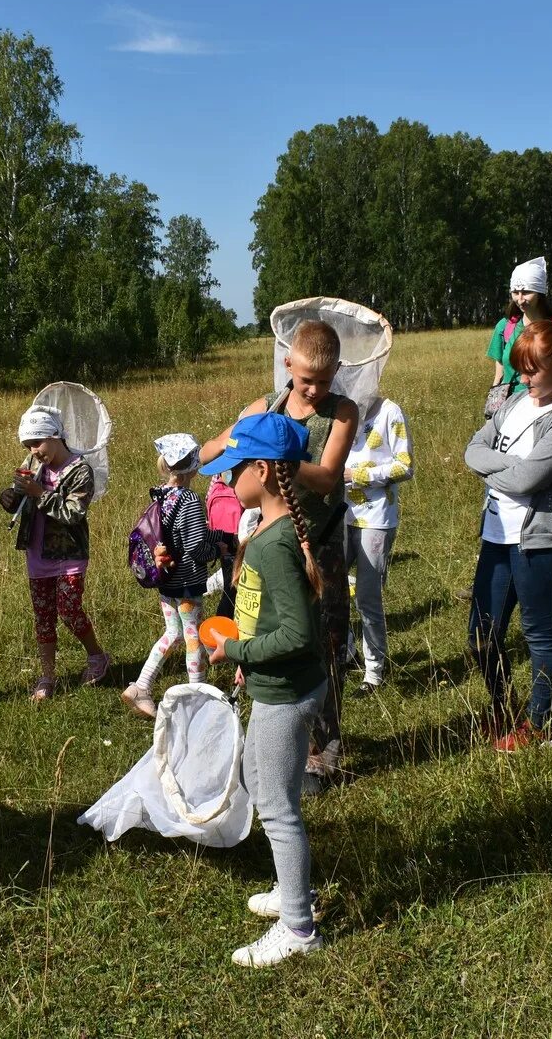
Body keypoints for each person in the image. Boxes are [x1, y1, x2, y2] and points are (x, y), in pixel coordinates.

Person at [202, 320, 357, 792]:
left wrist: (275, 457)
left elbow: (329, 476)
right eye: (307, 379)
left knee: (325, 640)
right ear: (287, 363)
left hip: (320, 543)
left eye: (324, 381)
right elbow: (214, 449)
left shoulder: (342, 412)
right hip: (269, 541)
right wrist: (232, 447)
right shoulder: (263, 407)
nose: (313, 390)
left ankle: (324, 748)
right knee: (266, 629)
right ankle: (277, 731)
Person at [202, 411, 327, 967]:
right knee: (264, 783)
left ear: (264, 471)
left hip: (287, 693)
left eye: (234, 470)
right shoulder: (270, 529)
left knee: (276, 805)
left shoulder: (275, 543)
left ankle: (299, 927)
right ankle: (290, 886)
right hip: (272, 683)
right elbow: (266, 614)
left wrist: (239, 652)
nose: (226, 481)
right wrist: (247, 660)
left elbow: (299, 633)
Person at [464, 323, 552, 750]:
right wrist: (505, 467)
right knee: (481, 635)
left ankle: (541, 725)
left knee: (539, 634)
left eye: (531, 371)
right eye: (519, 371)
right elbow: (472, 447)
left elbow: (527, 479)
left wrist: (494, 467)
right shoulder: (518, 401)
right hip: (498, 532)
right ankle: (501, 709)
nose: (522, 380)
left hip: (544, 540)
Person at [0, 404, 111, 702]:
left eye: (37, 443)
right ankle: (47, 675)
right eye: (28, 445)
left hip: (69, 554)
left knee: (69, 610)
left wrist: (39, 494)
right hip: (37, 554)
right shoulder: (33, 464)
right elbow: (20, 497)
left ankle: (97, 656)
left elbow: (73, 512)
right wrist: (10, 497)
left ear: (56, 436)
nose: (34, 450)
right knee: (43, 616)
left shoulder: (80, 469)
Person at [122, 433, 220, 719]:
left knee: (173, 633)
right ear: (193, 464)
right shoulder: (190, 499)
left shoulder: (161, 495)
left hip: (166, 579)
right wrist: (219, 547)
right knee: (192, 638)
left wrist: (219, 536)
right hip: (187, 582)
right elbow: (196, 547)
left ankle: (141, 686)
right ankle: (197, 697)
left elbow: (180, 536)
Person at [343, 395, 414, 694]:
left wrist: (359, 476)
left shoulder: (389, 412)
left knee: (367, 597)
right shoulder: (341, 410)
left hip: (376, 518)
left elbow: (404, 466)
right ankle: (346, 651)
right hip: (340, 514)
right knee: (326, 588)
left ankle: (374, 671)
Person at [484, 257, 552, 419]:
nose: (520, 299)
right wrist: (491, 412)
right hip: (508, 408)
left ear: (540, 293)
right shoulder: (505, 327)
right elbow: (499, 374)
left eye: (526, 292)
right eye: (515, 292)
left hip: (546, 408)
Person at [207, 473, 244, 619]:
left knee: (229, 585)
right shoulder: (247, 471)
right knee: (237, 588)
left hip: (222, 539)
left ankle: (223, 621)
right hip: (241, 539)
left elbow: (208, 499)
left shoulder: (217, 475)